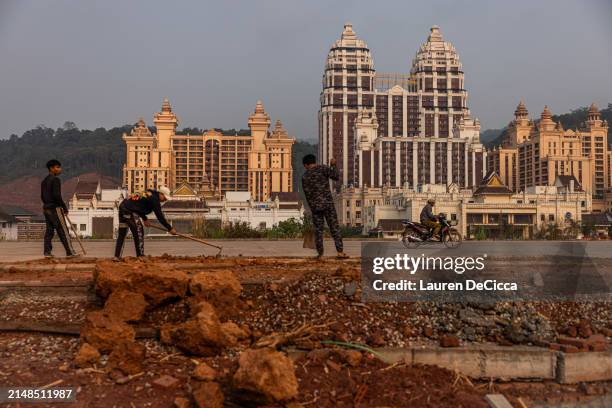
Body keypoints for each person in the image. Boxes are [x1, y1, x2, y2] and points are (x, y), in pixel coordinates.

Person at [301, 154, 348, 259]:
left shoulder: (305, 177)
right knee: (334, 228)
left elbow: (307, 194)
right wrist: (333, 165)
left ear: (306, 165)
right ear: (314, 161)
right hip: (328, 204)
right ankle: (340, 252)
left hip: (316, 207)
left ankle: (320, 254)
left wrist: (312, 207)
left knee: (318, 230)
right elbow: (336, 176)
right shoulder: (322, 168)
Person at [114, 186, 177, 258]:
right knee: (139, 231)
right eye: (165, 198)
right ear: (161, 194)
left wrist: (145, 219)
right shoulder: (154, 199)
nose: (165, 200)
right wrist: (170, 228)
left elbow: (138, 207)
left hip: (122, 207)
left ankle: (116, 256)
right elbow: (160, 217)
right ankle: (140, 256)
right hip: (129, 210)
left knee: (122, 234)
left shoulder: (149, 194)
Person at [41, 159, 77, 258]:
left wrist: (47, 205)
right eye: (57, 167)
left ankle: (47, 252)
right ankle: (70, 252)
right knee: (63, 230)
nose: (60, 169)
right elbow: (57, 195)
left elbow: (42, 197)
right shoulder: (56, 180)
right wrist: (64, 207)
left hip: (46, 208)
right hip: (55, 209)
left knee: (49, 231)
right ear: (51, 168)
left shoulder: (44, 181)